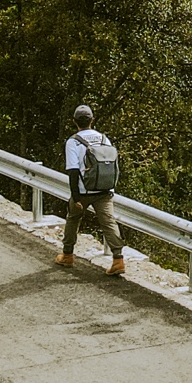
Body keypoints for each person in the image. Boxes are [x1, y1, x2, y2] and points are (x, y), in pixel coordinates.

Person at [57, 104, 126, 275]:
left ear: (75, 122)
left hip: (83, 191)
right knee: (108, 222)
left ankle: (67, 255)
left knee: (73, 219)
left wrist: (76, 196)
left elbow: (73, 171)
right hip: (104, 191)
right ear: (92, 120)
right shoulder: (104, 139)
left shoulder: (73, 142)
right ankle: (118, 260)